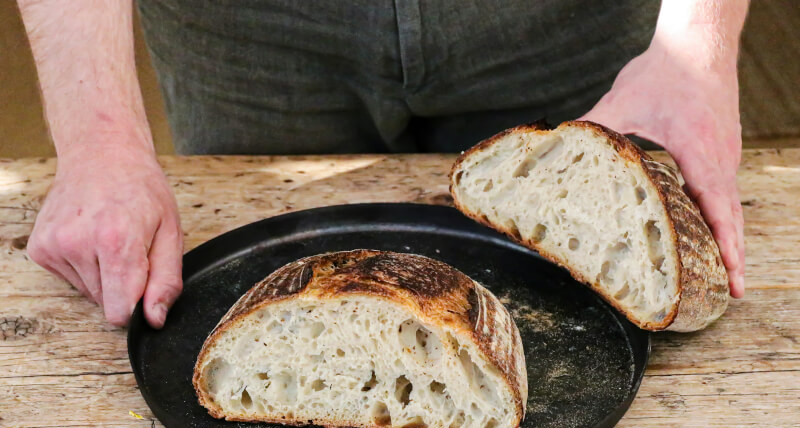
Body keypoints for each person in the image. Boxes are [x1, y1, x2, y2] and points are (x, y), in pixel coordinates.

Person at [17, 0, 748, 329]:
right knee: (252, 274)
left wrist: (697, 45)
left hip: (563, 20)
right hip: (244, 26)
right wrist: (98, 139)